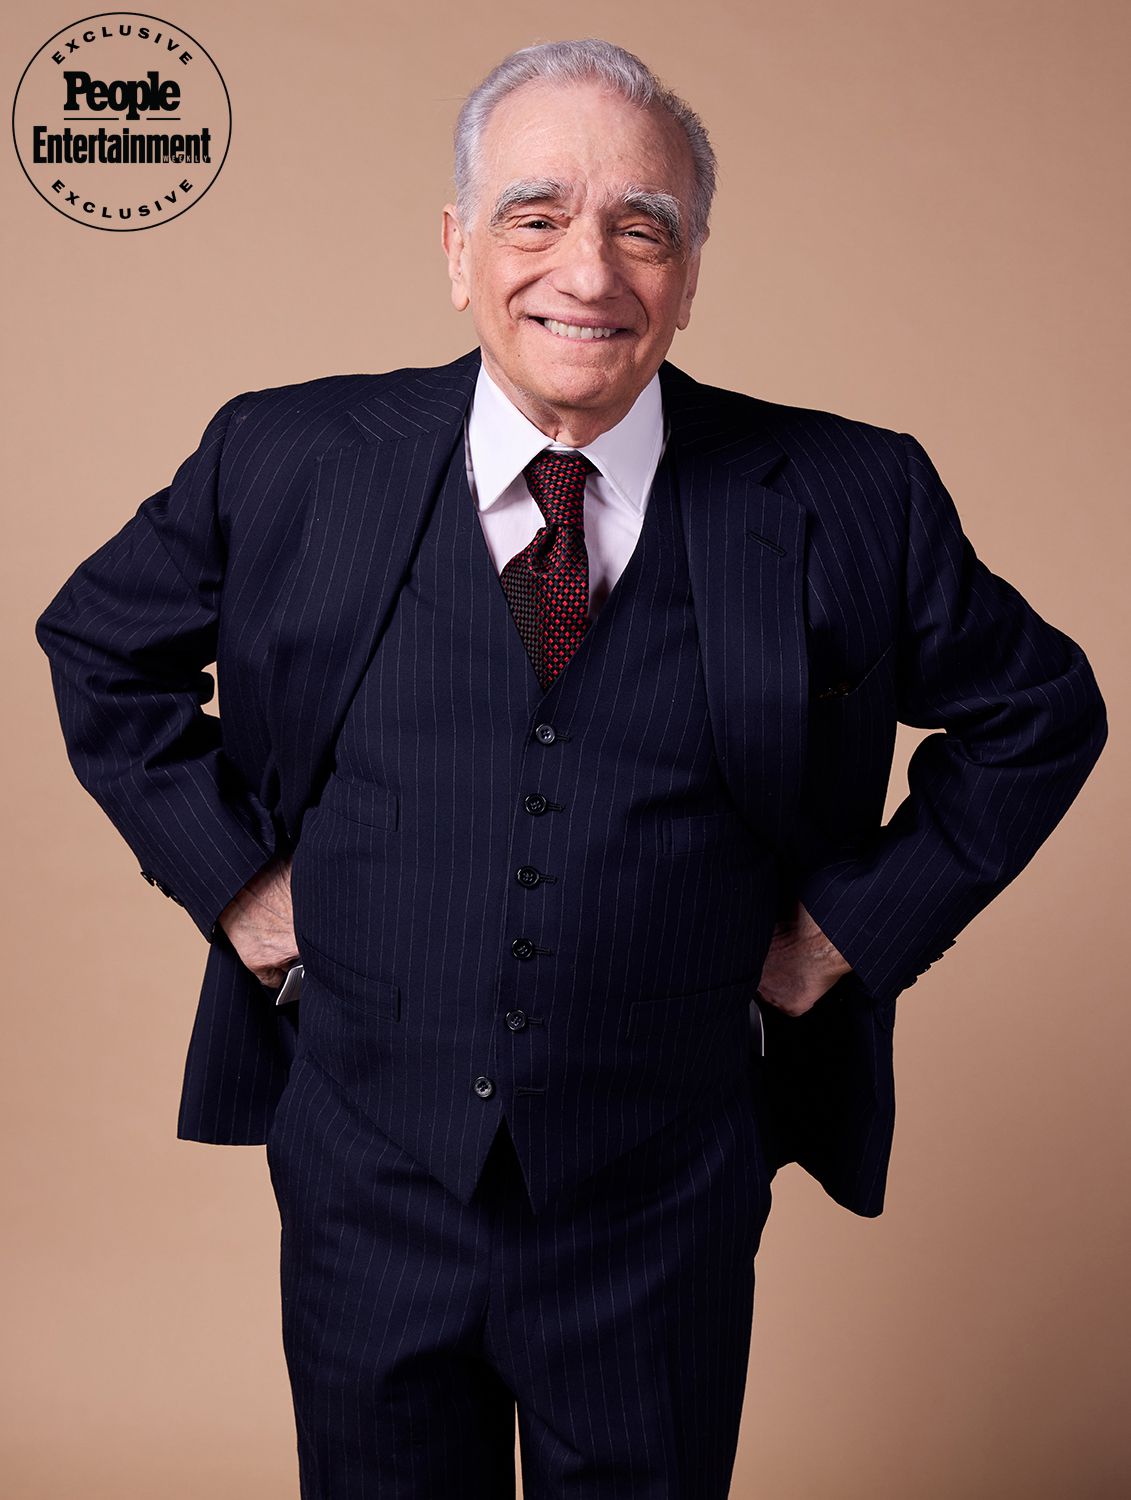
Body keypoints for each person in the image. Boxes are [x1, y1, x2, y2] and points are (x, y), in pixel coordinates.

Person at [35, 36, 1107, 1500]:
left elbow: (1041, 710)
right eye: (536, 217)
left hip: (664, 1188)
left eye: (641, 226)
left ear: (691, 266)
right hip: (366, 1175)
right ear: (459, 249)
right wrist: (238, 885)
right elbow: (100, 643)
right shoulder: (285, 458)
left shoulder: (855, 494)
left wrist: (852, 932)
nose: (587, 271)